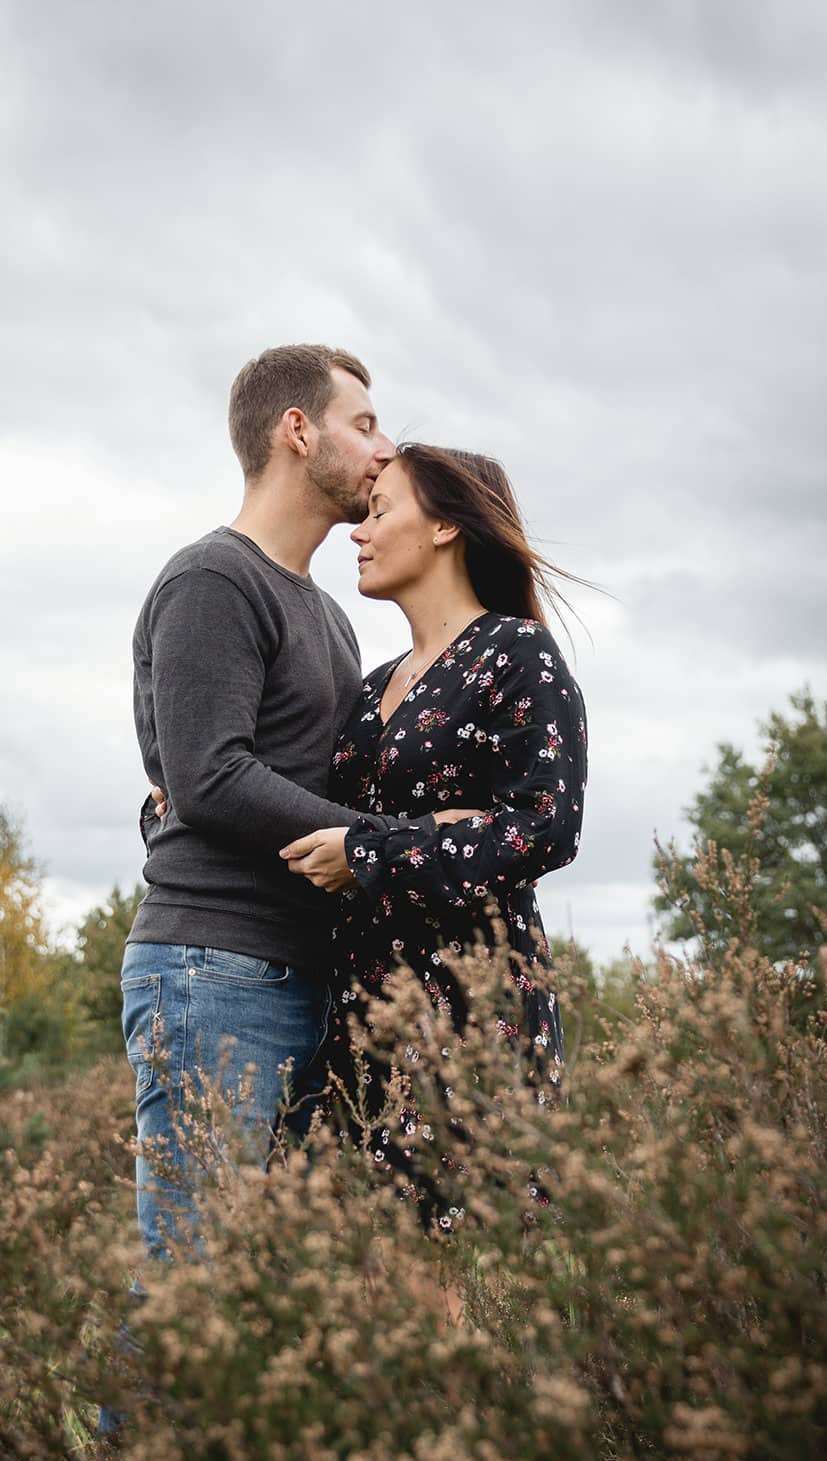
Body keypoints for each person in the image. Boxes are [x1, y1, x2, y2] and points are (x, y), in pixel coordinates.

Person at [124, 345, 472, 1257]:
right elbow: (210, 776)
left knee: (274, 1294)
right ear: (296, 431)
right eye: (362, 424)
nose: (381, 447)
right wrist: (400, 839)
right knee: (192, 1281)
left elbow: (237, 778)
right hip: (215, 969)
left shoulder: (327, 616)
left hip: (306, 974)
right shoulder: (213, 579)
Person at [278, 444, 587, 1226]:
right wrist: (186, 791)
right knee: (346, 1284)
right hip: (355, 1014)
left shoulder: (515, 654)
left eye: (381, 510)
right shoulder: (371, 686)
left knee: (441, 1286)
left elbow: (542, 827)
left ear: (446, 524)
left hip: (467, 1010)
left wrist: (375, 851)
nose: (359, 530)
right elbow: (308, 810)